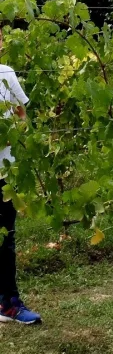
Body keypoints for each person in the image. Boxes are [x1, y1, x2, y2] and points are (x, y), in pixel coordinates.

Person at [0, 32, 42, 325]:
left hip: (4, 171)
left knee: (6, 239)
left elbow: (21, 112)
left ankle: (8, 303)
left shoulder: (5, 73)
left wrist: (17, 134)